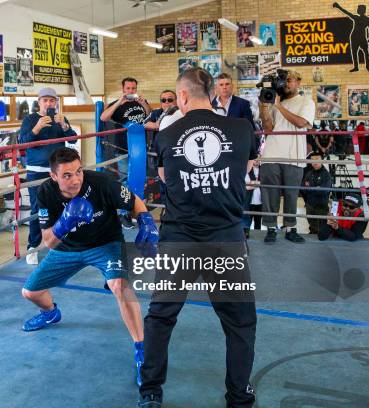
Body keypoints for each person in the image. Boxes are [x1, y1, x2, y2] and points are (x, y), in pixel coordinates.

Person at [141, 68, 257, 408]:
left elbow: (164, 176)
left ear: (182, 97)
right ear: (213, 93)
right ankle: (238, 398)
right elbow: (248, 166)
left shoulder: (166, 132)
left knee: (161, 316)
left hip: (180, 237)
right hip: (226, 238)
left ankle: (151, 392)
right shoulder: (241, 128)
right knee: (240, 322)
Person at [21, 147, 157, 387]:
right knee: (30, 292)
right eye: (67, 175)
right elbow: (48, 241)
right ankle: (51, 313)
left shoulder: (101, 183)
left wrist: (145, 221)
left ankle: (142, 349)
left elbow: (134, 200)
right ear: (53, 177)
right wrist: (65, 222)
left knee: (120, 286)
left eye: (78, 172)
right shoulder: (45, 193)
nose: (75, 180)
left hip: (105, 244)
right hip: (67, 249)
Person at [18, 87, 77, 265]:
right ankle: (32, 247)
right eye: (45, 100)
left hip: (57, 172)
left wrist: (65, 126)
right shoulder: (30, 119)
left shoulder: (60, 119)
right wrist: (37, 128)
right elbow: (23, 142)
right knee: (38, 210)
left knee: (60, 207)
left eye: (52, 101)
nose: (49, 104)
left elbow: (73, 139)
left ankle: (58, 243)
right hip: (36, 171)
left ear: (56, 102)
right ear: (39, 102)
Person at [259, 70, 315, 244]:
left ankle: (290, 228)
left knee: (291, 195)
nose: (286, 84)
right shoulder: (275, 100)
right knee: (269, 194)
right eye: (284, 81)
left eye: (290, 80)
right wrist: (263, 106)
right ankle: (270, 228)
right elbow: (268, 128)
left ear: (298, 82)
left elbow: (300, 123)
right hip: (271, 154)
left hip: (294, 156)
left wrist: (278, 105)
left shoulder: (306, 101)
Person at [101, 77, 151, 228]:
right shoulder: (117, 105)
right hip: (124, 147)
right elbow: (103, 117)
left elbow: (150, 116)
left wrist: (144, 104)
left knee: (139, 178)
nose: (131, 91)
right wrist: (118, 102)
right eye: (128, 88)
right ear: (123, 89)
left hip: (141, 147)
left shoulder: (141, 102)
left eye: (133, 88)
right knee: (125, 180)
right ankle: (124, 213)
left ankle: (136, 210)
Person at [333, 3, 369, 72]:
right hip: (355, 37)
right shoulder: (360, 18)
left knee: (366, 52)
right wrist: (338, 7)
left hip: (361, 38)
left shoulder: (367, 19)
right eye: (358, 9)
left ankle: (367, 66)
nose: (358, 10)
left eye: (359, 9)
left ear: (362, 10)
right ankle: (357, 67)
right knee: (355, 52)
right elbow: (347, 13)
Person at [302, 152, 332, 235]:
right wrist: (316, 188)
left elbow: (324, 190)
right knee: (312, 225)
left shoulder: (326, 175)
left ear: (322, 160)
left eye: (317, 159)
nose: (315, 162)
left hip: (321, 205)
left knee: (321, 227)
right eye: (313, 160)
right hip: (310, 204)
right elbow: (303, 188)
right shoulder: (309, 173)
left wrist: (310, 187)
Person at [243, 160, 262, 238]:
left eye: (259, 158)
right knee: (247, 218)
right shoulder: (247, 170)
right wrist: (257, 183)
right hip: (250, 201)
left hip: (260, 202)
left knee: (258, 221)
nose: (257, 160)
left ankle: (258, 234)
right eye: (254, 158)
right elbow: (247, 186)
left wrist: (254, 183)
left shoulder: (263, 169)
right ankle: (246, 232)